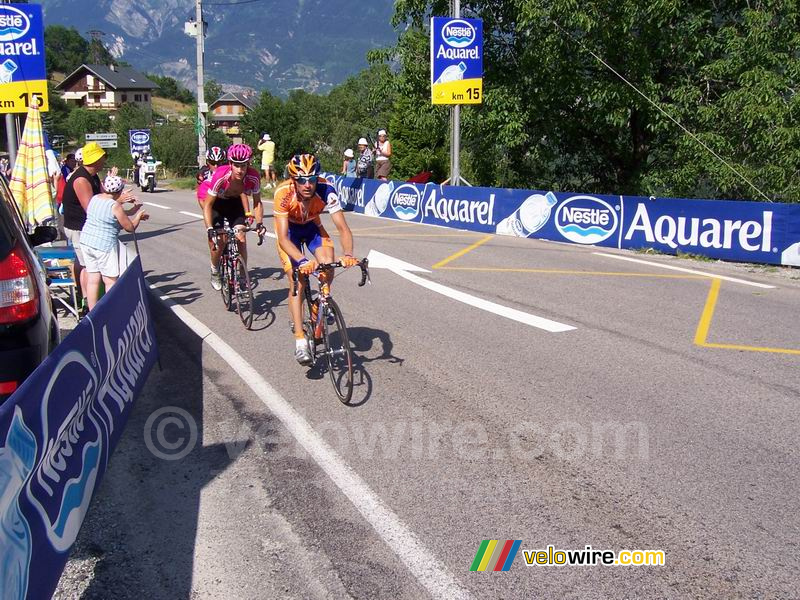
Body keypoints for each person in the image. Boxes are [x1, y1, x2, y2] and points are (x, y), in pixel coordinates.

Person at [273, 153, 358, 365]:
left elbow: (342, 227)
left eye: (312, 179)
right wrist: (302, 261)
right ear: (293, 179)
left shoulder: (326, 189)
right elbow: (283, 238)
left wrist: (348, 254)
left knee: (328, 263)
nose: (308, 184)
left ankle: (318, 306)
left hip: (312, 227)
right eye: (302, 180)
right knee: (297, 281)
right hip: (290, 233)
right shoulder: (283, 193)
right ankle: (300, 340)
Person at [61, 142, 133, 313]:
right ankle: (87, 304)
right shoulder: (81, 179)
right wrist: (118, 202)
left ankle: (92, 305)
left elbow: (104, 196)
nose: (104, 160)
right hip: (79, 227)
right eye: (102, 157)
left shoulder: (91, 175)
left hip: (86, 228)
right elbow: (92, 207)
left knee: (90, 269)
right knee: (88, 268)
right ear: (95, 159)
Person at [79, 175, 148, 309]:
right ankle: (110, 310)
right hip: (103, 245)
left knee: (93, 279)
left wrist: (132, 210)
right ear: (119, 191)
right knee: (110, 280)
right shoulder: (114, 206)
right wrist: (138, 216)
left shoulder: (95, 198)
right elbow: (129, 227)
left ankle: (93, 311)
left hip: (86, 241)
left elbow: (108, 216)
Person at [203, 143, 265, 290]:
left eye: (243, 166)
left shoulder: (253, 176)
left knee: (241, 236)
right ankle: (215, 269)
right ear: (230, 163)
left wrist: (260, 223)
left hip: (235, 204)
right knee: (220, 239)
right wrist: (210, 228)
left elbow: (257, 203)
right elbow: (207, 205)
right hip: (217, 204)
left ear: (248, 164)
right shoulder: (221, 175)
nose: (240, 170)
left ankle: (243, 276)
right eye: (236, 165)